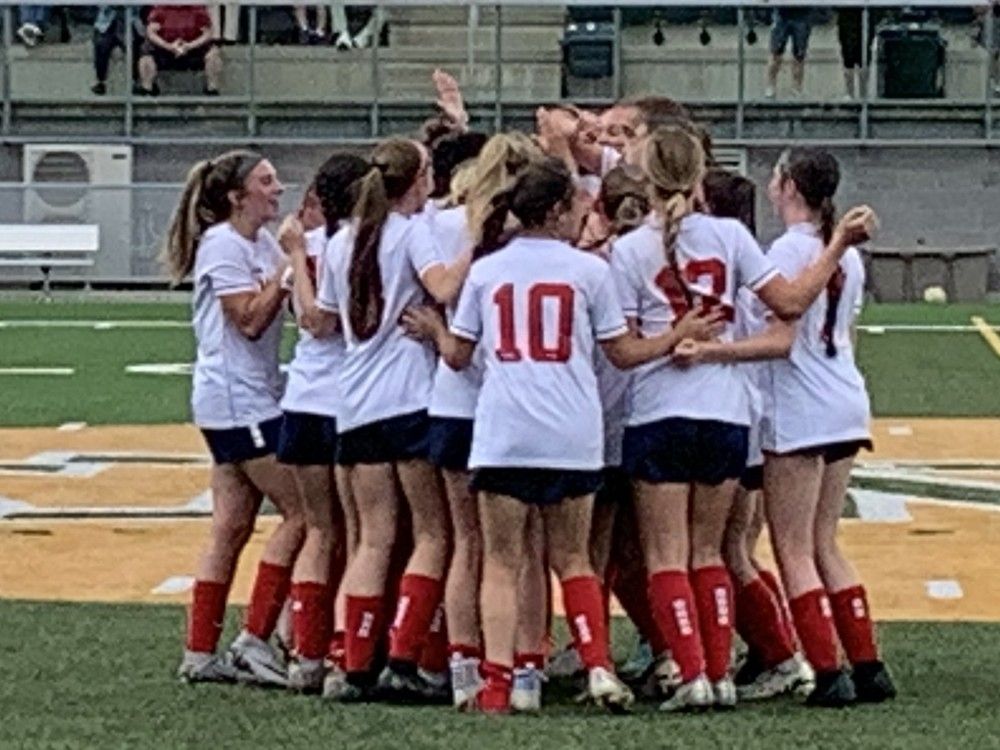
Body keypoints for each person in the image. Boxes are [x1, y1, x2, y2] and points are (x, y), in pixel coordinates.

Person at [403, 158, 724, 714]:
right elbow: (622, 353)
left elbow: (458, 355)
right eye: (574, 202)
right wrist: (678, 335)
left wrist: (434, 330)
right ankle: (597, 666)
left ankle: (501, 685)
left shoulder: (486, 271)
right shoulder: (588, 271)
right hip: (572, 430)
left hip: (504, 429)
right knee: (573, 559)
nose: (583, 210)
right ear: (553, 211)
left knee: (501, 561)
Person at [611, 125, 876, 711]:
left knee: (666, 555)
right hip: (729, 411)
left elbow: (624, 349)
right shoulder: (732, 235)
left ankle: (692, 672)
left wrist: (678, 341)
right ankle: (722, 674)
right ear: (700, 173)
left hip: (662, 407)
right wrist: (838, 246)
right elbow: (785, 304)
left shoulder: (630, 249)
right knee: (714, 552)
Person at [310, 138, 469, 702]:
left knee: (371, 540)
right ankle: (402, 655)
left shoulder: (341, 240)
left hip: (353, 401)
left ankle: (351, 662)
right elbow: (444, 286)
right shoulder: (408, 230)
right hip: (407, 396)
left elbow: (324, 320)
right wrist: (475, 242)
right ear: (419, 180)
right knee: (432, 533)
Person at [759, 147, 896, 707]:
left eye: (777, 176)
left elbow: (785, 316)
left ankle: (827, 670)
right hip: (844, 396)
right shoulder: (848, 256)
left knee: (792, 546)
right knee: (825, 542)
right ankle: (868, 665)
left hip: (802, 401)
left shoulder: (790, 249)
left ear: (789, 186)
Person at [163, 150, 305, 687]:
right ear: (236, 196)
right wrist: (289, 271)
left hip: (244, 395)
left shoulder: (258, 242)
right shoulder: (224, 243)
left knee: (232, 524)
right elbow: (246, 318)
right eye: (266, 181)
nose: (278, 188)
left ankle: (200, 651)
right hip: (238, 399)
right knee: (303, 513)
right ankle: (254, 637)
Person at [682, 168, 814, 701]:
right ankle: (770, 651)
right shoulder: (741, 258)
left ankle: (779, 652)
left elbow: (782, 328)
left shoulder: (730, 262)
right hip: (740, 411)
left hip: (736, 407)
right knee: (729, 548)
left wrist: (711, 350)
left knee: (727, 549)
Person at [273, 154, 371, 693]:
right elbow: (318, 320)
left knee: (323, 531)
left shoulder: (317, 246)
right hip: (340, 398)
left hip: (307, 397)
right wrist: (295, 257)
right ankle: (333, 650)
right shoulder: (340, 245)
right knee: (355, 534)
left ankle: (307, 651)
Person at [137, 4, 222, 96]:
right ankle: (147, 89)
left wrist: (189, 46)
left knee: (213, 52)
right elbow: (151, 32)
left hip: (193, 49)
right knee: (146, 52)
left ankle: (212, 89)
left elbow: (208, 33)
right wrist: (169, 46)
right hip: (165, 49)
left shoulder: (197, 8)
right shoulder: (161, 8)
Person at [766, 7, 813, 98]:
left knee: (799, 55)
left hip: (802, 15)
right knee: (775, 52)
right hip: (781, 14)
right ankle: (770, 86)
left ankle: (796, 88)